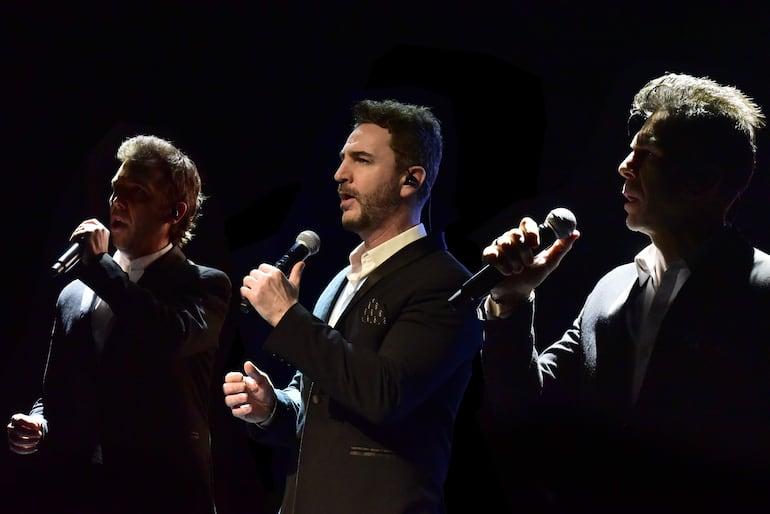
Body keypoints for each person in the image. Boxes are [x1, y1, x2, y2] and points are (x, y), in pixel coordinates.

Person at [477, 72, 770, 513]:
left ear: (705, 181)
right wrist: (512, 300)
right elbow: (525, 409)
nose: (624, 165)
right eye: (630, 151)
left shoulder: (761, 291)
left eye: (647, 153)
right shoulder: (611, 290)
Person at [223, 99, 482, 514]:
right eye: (343, 160)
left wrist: (289, 317)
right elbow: (319, 399)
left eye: (361, 160)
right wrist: (273, 407)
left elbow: (384, 394)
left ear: (410, 180)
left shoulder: (447, 284)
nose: (340, 175)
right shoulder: (343, 279)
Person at [6, 135, 232, 514]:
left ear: (175, 213)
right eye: (115, 190)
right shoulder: (75, 293)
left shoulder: (203, 285)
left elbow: (168, 338)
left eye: (136, 191)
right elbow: (56, 389)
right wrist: (38, 423)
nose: (117, 202)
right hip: (79, 490)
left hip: (161, 494)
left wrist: (100, 267)